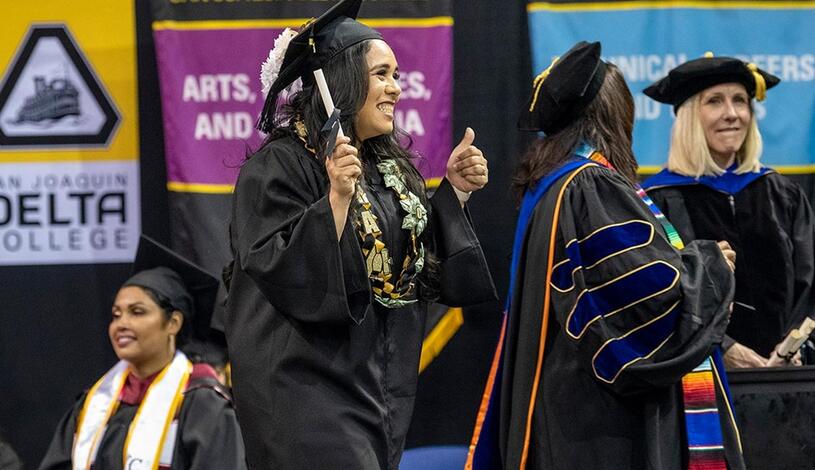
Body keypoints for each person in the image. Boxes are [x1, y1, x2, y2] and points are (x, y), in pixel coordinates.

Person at [223, 0, 496, 468]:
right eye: (382, 74)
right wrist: (335, 200)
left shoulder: (385, 168)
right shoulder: (277, 167)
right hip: (304, 392)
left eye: (397, 75)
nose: (396, 87)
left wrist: (455, 192)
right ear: (342, 81)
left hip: (376, 387)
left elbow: (405, 264)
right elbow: (278, 269)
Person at [466, 42, 744, 470]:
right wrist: (710, 267)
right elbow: (644, 302)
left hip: (566, 414)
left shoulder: (553, 184)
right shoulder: (591, 186)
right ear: (615, 113)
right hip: (601, 425)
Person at [641, 55, 815, 368]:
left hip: (784, 375)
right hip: (701, 373)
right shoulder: (658, 201)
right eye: (715, 101)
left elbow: (809, 283)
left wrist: (793, 345)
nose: (732, 114)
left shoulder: (781, 194)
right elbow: (656, 295)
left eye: (740, 100)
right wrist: (723, 347)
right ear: (689, 116)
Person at [39, 236, 246, 470]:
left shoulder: (202, 404)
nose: (121, 324)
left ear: (173, 323)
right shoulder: (94, 403)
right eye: (116, 315)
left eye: (137, 312)